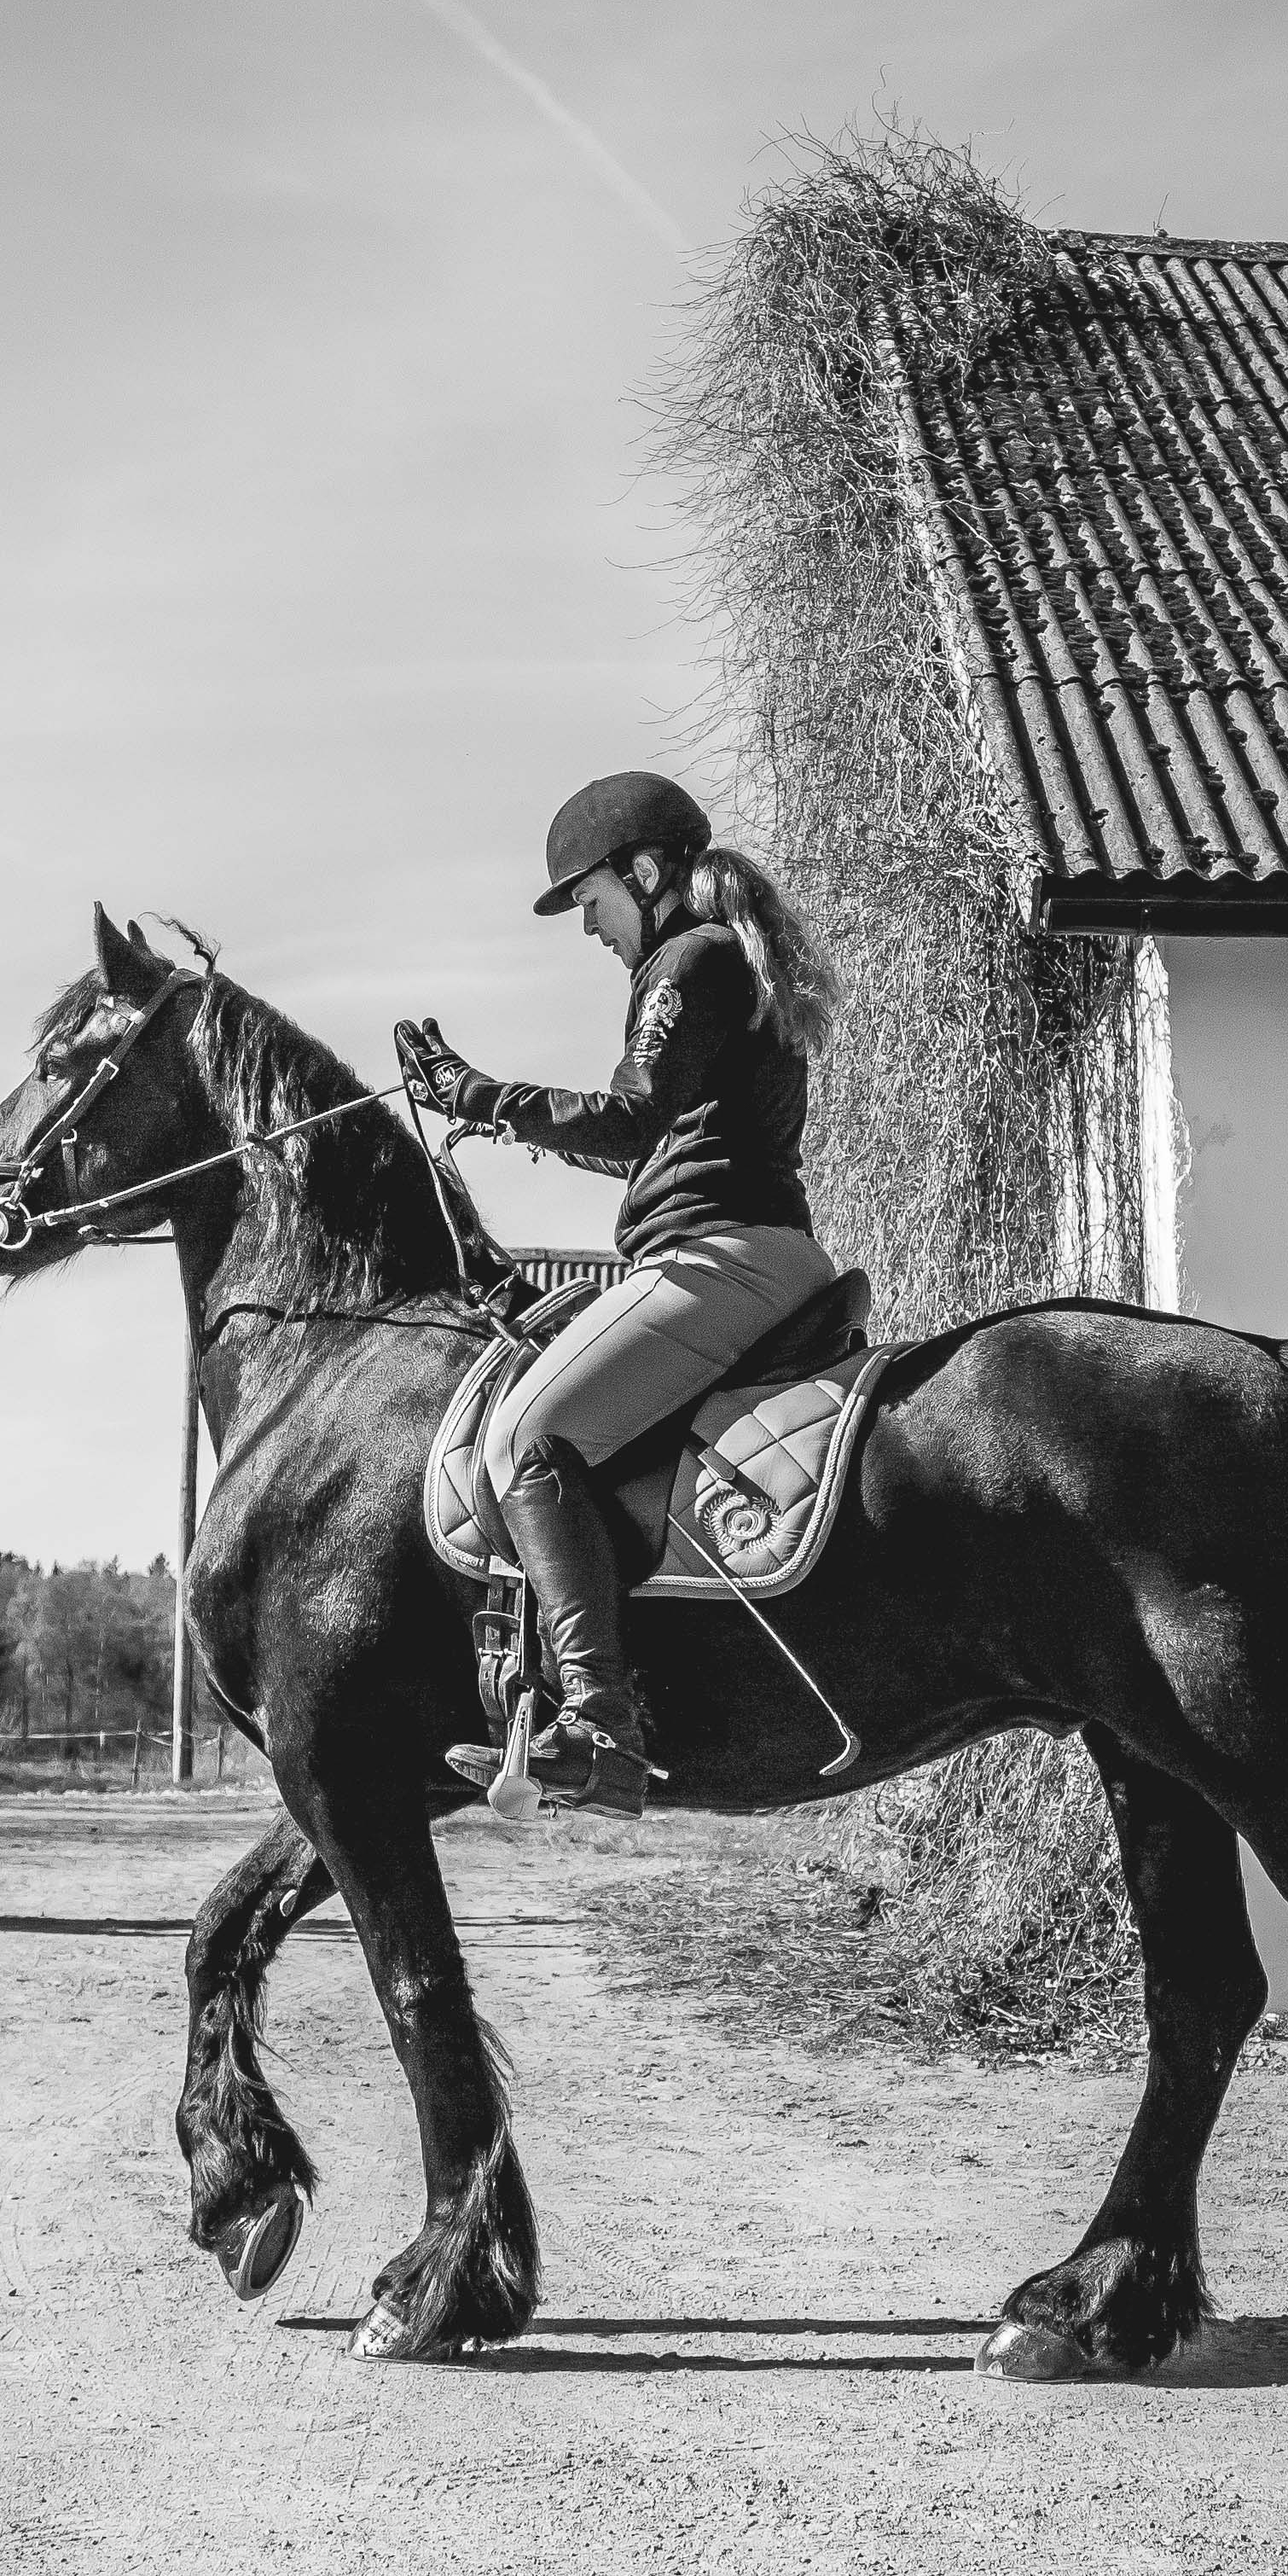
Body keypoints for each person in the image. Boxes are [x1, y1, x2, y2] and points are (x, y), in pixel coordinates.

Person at [400, 770, 837, 1817]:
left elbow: (631, 1117)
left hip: (723, 1259)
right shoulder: (723, 961)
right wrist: (503, 1117)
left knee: (523, 1441)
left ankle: (601, 1723)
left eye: (590, 900)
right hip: (743, 1249)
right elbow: (654, 1141)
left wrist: (479, 1094)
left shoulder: (689, 959)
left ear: (645, 871)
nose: (590, 927)